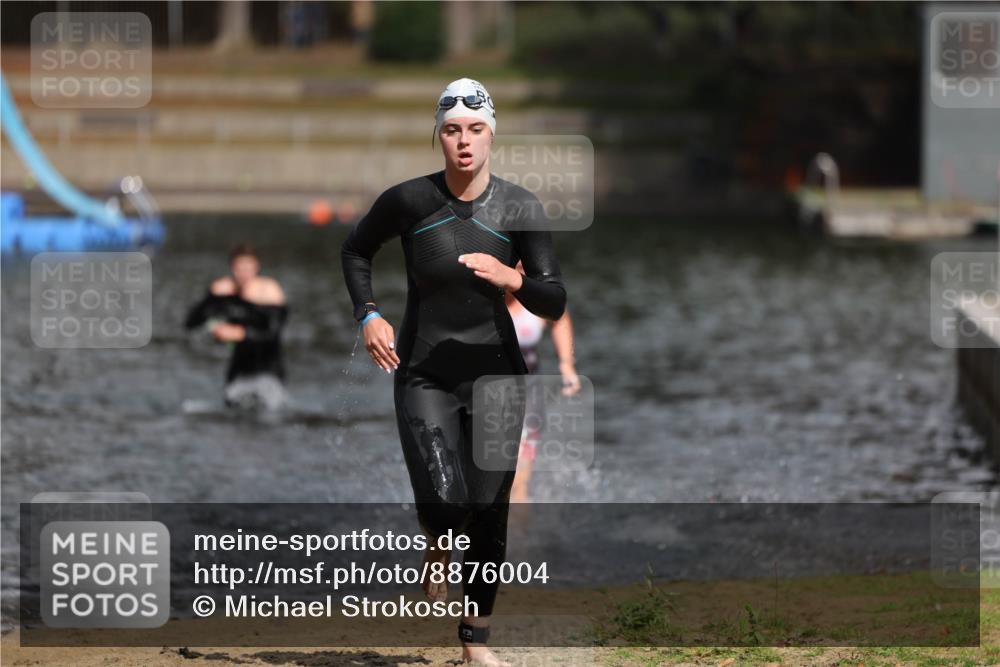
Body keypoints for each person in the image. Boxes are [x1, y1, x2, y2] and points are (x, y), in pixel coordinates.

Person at [341, 78, 566, 667]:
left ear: (492, 134)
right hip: (424, 373)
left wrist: (513, 277)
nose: (463, 142)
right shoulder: (409, 201)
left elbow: (554, 299)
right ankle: (437, 541)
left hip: (499, 377)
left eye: (474, 130)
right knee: (447, 503)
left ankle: (475, 645)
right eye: (451, 131)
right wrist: (368, 314)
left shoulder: (520, 208)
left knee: (490, 510)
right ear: (438, 136)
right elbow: (356, 249)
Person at [506, 263, 582, 504]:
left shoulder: (535, 297)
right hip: (484, 392)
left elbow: (561, 319)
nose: (520, 269)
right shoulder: (485, 295)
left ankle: (519, 540)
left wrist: (567, 364)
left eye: (523, 264)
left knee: (518, 483)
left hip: (529, 396)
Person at [185, 243, 289, 411]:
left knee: (268, 414)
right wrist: (211, 296)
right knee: (232, 417)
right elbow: (191, 323)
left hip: (269, 372)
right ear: (232, 268)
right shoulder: (226, 293)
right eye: (239, 268)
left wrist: (241, 334)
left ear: (256, 267)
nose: (243, 273)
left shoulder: (269, 293)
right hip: (239, 373)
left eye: (248, 267)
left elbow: (273, 332)